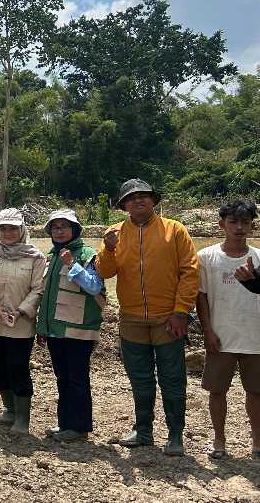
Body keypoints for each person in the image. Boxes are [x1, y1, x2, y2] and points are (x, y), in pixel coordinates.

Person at [98, 178, 198, 456]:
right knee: (140, 377)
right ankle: (143, 430)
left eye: (144, 196)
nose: (138, 200)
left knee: (172, 377)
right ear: (124, 205)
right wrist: (107, 249)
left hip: (168, 318)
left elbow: (189, 272)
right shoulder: (115, 234)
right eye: (131, 198)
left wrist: (181, 312)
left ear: (154, 200)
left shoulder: (174, 230)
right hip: (131, 319)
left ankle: (175, 435)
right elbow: (104, 272)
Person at [196, 199, 260, 460]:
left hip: (255, 336)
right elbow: (201, 296)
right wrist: (207, 331)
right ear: (222, 224)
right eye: (233, 222)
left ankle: (257, 443)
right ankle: (219, 441)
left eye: (245, 222)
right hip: (220, 336)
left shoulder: (258, 257)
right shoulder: (207, 257)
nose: (239, 227)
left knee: (256, 392)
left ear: (252, 225)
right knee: (217, 391)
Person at [35, 209, 105, 442]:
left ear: (74, 230)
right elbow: (47, 297)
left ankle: (80, 427)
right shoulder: (52, 256)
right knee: (62, 377)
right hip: (56, 329)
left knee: (77, 378)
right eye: (55, 227)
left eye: (64, 226)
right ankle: (65, 424)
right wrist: (42, 328)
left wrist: (73, 264)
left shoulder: (88, 254)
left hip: (79, 329)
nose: (60, 231)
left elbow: (95, 287)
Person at [0, 208, 46, 435]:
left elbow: (38, 289)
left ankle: (22, 418)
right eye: (3, 228)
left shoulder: (35, 256)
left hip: (20, 324)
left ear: (22, 229)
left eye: (13, 228)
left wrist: (21, 311)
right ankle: (8, 409)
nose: (8, 233)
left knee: (18, 367)